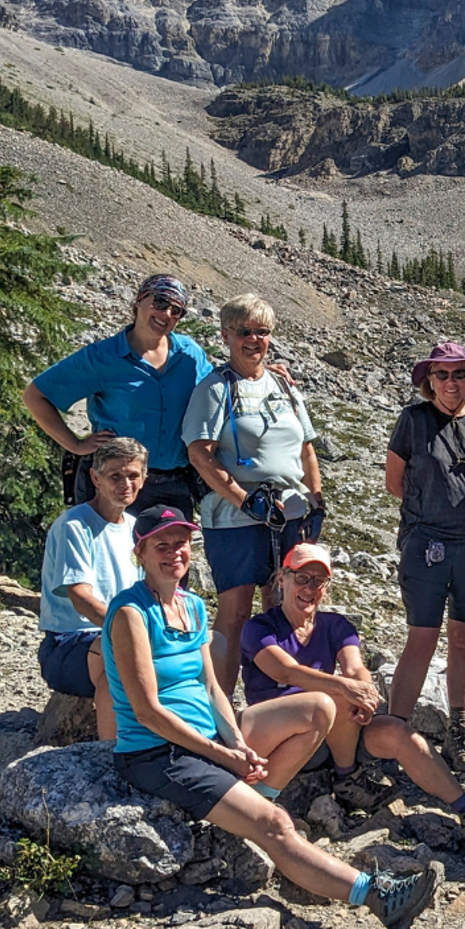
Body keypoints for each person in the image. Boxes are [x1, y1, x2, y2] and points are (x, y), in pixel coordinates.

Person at [104, 505, 444, 929]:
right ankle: (376, 895)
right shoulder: (130, 613)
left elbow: (212, 689)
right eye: (162, 545)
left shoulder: (191, 605)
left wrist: (236, 744)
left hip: (207, 738)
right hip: (159, 752)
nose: (175, 553)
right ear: (142, 553)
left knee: (317, 708)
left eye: (182, 543)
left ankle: (246, 809)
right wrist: (222, 755)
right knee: (276, 823)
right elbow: (147, 711)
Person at [242, 543, 465, 862]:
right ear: (282, 579)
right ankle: (348, 776)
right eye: (302, 578)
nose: (309, 588)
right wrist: (348, 688)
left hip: (332, 736)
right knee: (332, 696)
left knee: (394, 730)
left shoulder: (336, 626)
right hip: (282, 736)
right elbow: (286, 670)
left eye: (318, 581)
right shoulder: (260, 628)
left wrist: (363, 691)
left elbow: (355, 667)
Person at [184, 293, 324, 698]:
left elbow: (306, 448)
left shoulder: (283, 384)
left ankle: (275, 701)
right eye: (244, 332)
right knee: (235, 611)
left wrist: (317, 501)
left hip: (291, 513)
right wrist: (242, 498)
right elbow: (199, 453)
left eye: (262, 332)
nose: (253, 340)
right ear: (226, 335)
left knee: (283, 608)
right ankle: (220, 708)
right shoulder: (215, 390)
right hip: (235, 519)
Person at [385, 341, 465, 773]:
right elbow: (394, 481)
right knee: (422, 634)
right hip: (425, 541)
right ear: (428, 381)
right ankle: (393, 730)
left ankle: (460, 731)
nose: (451, 383)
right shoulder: (413, 420)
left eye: (459, 374)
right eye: (442, 375)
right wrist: (430, 513)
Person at [23, 273, 211, 515]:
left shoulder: (190, 354)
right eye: (160, 302)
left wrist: (255, 372)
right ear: (139, 300)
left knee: (169, 552)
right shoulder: (103, 357)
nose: (166, 314)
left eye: (177, 310)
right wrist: (76, 445)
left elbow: (216, 390)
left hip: (173, 483)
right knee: (107, 552)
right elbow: (36, 396)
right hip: (114, 482)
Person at [36, 437, 147, 740]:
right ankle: (109, 754)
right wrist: (128, 629)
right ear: (96, 478)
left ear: (144, 478)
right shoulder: (75, 525)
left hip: (117, 633)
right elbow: (81, 598)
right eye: (115, 476)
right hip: (69, 642)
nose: (125, 483)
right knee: (121, 658)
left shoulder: (135, 529)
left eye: (133, 476)